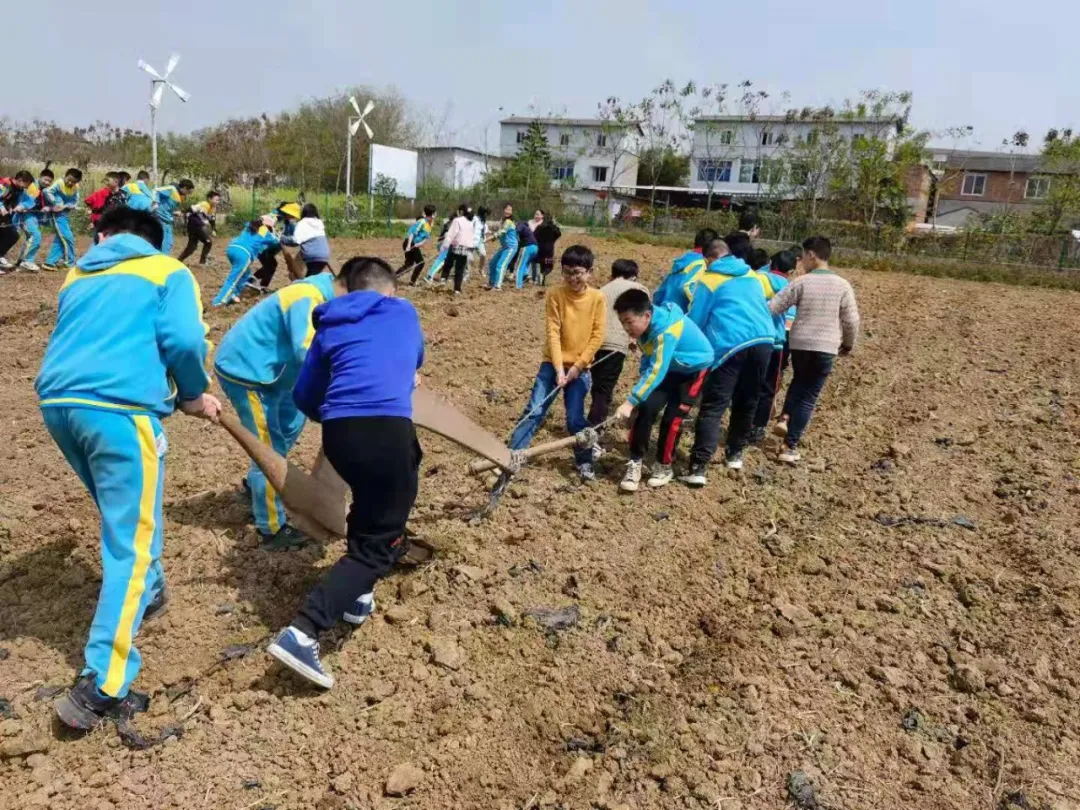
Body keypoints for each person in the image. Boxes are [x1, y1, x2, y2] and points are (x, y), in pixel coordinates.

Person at [34, 206, 219, 729]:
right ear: (155, 241)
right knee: (131, 542)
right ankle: (103, 683)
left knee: (124, 514)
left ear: (103, 235)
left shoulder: (78, 272)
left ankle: (152, 588)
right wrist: (193, 394)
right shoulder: (167, 270)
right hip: (119, 412)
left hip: (60, 407)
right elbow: (183, 341)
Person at [267, 257, 424, 689]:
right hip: (386, 430)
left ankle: (358, 595)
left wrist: (338, 414)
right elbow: (414, 363)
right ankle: (305, 630)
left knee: (377, 494)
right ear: (389, 291)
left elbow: (305, 395)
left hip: (340, 434)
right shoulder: (405, 312)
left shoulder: (329, 324)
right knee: (381, 544)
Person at [214, 251, 338, 550]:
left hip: (278, 373)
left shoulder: (327, 297)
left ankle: (254, 485)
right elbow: (306, 350)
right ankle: (271, 528)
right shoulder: (307, 297)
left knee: (292, 423)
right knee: (271, 446)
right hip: (248, 374)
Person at [679, 237, 776, 486]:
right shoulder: (753, 276)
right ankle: (735, 454)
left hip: (730, 345)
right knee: (747, 400)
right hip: (764, 341)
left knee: (714, 405)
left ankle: (699, 466)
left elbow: (697, 319)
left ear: (708, 259)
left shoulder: (709, 280)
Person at [508, 245, 606, 481]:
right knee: (535, 410)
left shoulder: (597, 298)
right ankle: (512, 457)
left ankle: (584, 462)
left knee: (574, 417)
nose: (572, 278)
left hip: (580, 369)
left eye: (578, 272)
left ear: (590, 272)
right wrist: (559, 367)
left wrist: (576, 367)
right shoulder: (555, 294)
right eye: (567, 272)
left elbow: (597, 336)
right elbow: (553, 331)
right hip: (552, 364)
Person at [766, 237, 860, 464]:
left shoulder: (801, 282)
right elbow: (851, 321)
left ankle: (785, 416)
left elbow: (774, 307)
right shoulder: (842, 285)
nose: (801, 263)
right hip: (826, 346)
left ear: (811, 255)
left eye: (803, 257)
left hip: (799, 343)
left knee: (798, 381)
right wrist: (848, 344)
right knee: (809, 397)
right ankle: (789, 446)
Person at [612, 289, 714, 492]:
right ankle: (635, 461)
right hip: (670, 366)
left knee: (672, 418)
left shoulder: (667, 331)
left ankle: (664, 465)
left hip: (693, 368)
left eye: (629, 321)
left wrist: (630, 401)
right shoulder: (644, 329)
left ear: (647, 315)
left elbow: (656, 370)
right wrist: (639, 398)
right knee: (647, 408)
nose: (626, 328)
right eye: (622, 322)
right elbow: (650, 362)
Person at [587, 259, 648, 439]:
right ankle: (594, 431)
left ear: (612, 274)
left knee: (598, 387)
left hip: (594, 344)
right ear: (634, 275)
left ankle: (594, 424)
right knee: (604, 391)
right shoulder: (639, 290)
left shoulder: (601, 290)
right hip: (616, 346)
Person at [750, 249, 798, 443]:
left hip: (752, 339)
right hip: (777, 343)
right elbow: (790, 321)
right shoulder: (791, 287)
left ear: (771, 264)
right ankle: (758, 428)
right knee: (769, 387)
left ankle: (742, 423)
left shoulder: (757, 279)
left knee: (749, 383)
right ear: (791, 270)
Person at [213, 216, 282, 306]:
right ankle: (219, 302)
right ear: (268, 226)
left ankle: (234, 295)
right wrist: (276, 234)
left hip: (232, 248)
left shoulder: (249, 226)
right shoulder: (265, 231)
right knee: (233, 279)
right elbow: (276, 241)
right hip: (244, 254)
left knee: (246, 273)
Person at [653, 228, 717, 313]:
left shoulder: (681, 262)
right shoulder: (703, 265)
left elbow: (659, 294)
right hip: (682, 318)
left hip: (665, 312)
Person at [252, 202, 301, 291]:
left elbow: (293, 235)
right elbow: (272, 232)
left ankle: (261, 285)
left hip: (271, 248)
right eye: (292, 215)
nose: (293, 217)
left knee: (271, 265)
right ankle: (252, 280)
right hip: (264, 246)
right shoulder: (274, 217)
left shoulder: (287, 222)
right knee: (271, 266)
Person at [41, 168, 83, 271]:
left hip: (64, 214)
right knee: (68, 238)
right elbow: (46, 191)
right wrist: (56, 203)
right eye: (68, 179)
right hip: (58, 215)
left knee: (60, 239)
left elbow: (75, 200)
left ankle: (50, 262)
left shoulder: (76, 187)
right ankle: (69, 263)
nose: (70, 183)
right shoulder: (59, 183)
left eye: (73, 182)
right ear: (65, 175)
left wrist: (69, 206)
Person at [10, 168, 51, 272]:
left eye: (50, 181)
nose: (47, 182)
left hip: (33, 216)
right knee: (35, 236)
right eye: (45, 180)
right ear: (40, 177)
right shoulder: (32, 187)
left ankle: (21, 261)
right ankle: (26, 261)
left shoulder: (43, 189)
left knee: (31, 238)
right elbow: (26, 202)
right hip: (26, 216)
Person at [282, 203, 332, 277]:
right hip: (324, 256)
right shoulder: (319, 223)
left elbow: (296, 241)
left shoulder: (302, 223)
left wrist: (283, 239)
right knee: (313, 276)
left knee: (310, 279)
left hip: (313, 256)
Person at [439, 204, 475, 295]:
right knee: (460, 269)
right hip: (467, 249)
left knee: (448, 262)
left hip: (456, 247)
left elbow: (451, 234)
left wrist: (444, 246)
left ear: (461, 212)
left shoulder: (457, 220)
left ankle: (443, 279)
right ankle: (457, 290)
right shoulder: (471, 222)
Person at [0, 171, 33, 271]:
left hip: (5, 219)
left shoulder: (20, 190)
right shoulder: (4, 186)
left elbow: (30, 201)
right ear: (20, 180)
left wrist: (21, 206)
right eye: (25, 185)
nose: (25, 188)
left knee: (13, 235)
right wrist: (1, 207)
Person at [178, 190, 221, 265]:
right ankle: (202, 262)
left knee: (192, 247)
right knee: (208, 242)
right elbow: (191, 208)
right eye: (216, 200)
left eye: (218, 200)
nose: (217, 202)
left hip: (195, 226)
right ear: (210, 199)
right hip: (194, 225)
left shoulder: (213, 208)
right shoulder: (204, 204)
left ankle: (178, 261)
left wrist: (214, 229)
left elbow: (212, 220)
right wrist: (182, 212)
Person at [154, 179, 195, 254]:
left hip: (167, 221)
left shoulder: (180, 196)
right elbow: (156, 191)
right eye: (188, 192)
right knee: (160, 241)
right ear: (185, 188)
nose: (188, 194)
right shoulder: (171, 189)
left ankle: (163, 260)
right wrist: (156, 203)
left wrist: (174, 213)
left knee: (169, 243)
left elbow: (168, 207)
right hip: (159, 218)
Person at [83, 173, 122, 245]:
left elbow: (88, 201)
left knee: (100, 242)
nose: (106, 182)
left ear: (116, 182)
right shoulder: (120, 194)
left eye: (108, 180)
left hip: (104, 222)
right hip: (104, 222)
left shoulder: (102, 193)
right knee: (101, 242)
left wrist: (92, 210)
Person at [401, 204, 436, 283]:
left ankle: (395, 276)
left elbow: (426, 237)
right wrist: (409, 245)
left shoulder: (431, 223)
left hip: (415, 244)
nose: (436, 215)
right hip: (409, 242)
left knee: (409, 264)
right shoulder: (421, 222)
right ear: (432, 214)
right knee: (420, 262)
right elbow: (412, 233)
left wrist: (421, 243)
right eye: (435, 213)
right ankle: (412, 281)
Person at [486, 204, 517, 290]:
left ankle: (497, 286)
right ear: (504, 210)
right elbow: (499, 232)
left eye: (510, 210)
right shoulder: (502, 221)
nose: (507, 211)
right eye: (506, 209)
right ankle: (491, 283)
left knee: (501, 265)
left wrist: (488, 239)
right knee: (492, 263)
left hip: (510, 247)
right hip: (504, 247)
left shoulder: (509, 222)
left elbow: (502, 232)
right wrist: (491, 235)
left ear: (512, 212)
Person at [533, 209, 562, 286]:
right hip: (549, 249)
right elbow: (559, 234)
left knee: (542, 264)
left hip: (540, 248)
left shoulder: (539, 226)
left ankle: (542, 282)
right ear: (552, 219)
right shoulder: (553, 228)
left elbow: (534, 235)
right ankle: (542, 274)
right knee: (549, 266)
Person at [513, 212, 540, 288]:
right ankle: (526, 274)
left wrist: (515, 239)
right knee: (526, 262)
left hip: (528, 246)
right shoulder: (527, 227)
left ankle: (518, 285)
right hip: (535, 248)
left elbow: (516, 231)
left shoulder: (520, 224)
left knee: (519, 266)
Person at [471, 206, 490, 277]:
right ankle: (465, 273)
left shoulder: (483, 221)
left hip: (480, 241)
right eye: (485, 213)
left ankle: (481, 269)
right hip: (472, 240)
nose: (486, 215)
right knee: (469, 258)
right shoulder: (474, 219)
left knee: (483, 254)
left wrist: (490, 233)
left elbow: (485, 230)